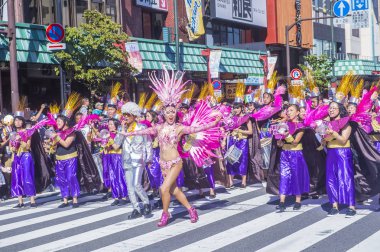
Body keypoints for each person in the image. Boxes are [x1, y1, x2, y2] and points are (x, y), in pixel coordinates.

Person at [122, 66, 221, 227]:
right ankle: (191, 209)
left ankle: (165, 214)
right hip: (163, 163)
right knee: (174, 190)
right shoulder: (158, 128)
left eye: (173, 112)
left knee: (163, 188)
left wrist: (214, 123)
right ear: (163, 113)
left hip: (175, 162)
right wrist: (128, 134)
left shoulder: (179, 128)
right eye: (167, 112)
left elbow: (197, 129)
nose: (170, 114)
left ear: (175, 113)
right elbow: (143, 131)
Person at [113, 102, 153, 219]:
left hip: (138, 159)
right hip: (126, 160)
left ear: (134, 116)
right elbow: (117, 144)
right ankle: (135, 208)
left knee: (136, 184)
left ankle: (146, 203)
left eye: (128, 115)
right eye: (124, 114)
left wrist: (149, 158)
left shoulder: (142, 128)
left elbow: (148, 144)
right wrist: (122, 130)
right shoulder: (121, 128)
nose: (125, 117)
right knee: (129, 186)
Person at [322, 77, 356, 218]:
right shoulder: (325, 123)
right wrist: (324, 136)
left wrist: (334, 133)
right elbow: (325, 141)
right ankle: (334, 205)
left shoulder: (346, 123)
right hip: (331, 152)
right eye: (330, 108)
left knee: (346, 178)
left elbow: (343, 140)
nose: (331, 110)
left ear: (340, 110)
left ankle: (351, 205)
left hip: (343, 152)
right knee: (331, 178)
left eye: (334, 108)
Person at [276, 103, 310, 212]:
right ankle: (281, 201)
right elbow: (279, 144)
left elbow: (295, 142)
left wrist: (286, 135)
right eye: (287, 110)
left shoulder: (300, 126)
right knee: (284, 175)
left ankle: (298, 200)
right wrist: (279, 141)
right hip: (284, 153)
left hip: (296, 154)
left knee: (296, 176)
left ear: (297, 113)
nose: (288, 112)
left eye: (291, 110)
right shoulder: (283, 124)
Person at [10, 113, 37, 208]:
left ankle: (32, 200)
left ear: (23, 121)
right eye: (15, 120)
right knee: (17, 178)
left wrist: (20, 140)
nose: (17, 122)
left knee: (27, 177)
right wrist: (13, 147)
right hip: (16, 156)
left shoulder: (27, 132)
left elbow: (28, 146)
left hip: (25, 155)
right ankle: (20, 201)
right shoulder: (12, 134)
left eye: (19, 120)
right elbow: (12, 149)